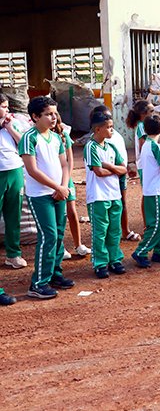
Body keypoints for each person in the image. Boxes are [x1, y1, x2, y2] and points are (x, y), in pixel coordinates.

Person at [19, 97, 72, 299]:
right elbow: (32, 170)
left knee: (58, 234)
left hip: (59, 192)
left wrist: (64, 187)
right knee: (48, 235)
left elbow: (65, 165)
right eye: (49, 114)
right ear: (35, 116)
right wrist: (57, 186)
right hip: (40, 195)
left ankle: (54, 274)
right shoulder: (29, 138)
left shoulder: (56, 137)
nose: (53, 117)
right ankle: (38, 283)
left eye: (55, 113)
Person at [84, 110, 128, 279]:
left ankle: (115, 259)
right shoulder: (91, 147)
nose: (112, 130)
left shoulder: (111, 147)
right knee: (100, 231)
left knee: (114, 230)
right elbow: (98, 172)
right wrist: (114, 170)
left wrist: (109, 166)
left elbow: (122, 169)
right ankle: (100, 263)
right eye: (108, 127)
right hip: (98, 196)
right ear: (97, 129)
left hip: (114, 195)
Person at [131, 115, 160, 268]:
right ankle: (141, 251)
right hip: (155, 190)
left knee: (157, 221)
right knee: (156, 223)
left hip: (150, 189)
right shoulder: (156, 147)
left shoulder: (146, 145)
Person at [54, 115, 91, 259]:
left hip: (66, 179)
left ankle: (78, 244)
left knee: (72, 212)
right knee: (59, 215)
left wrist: (67, 179)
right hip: (53, 180)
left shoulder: (63, 136)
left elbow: (69, 160)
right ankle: (60, 247)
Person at [0, 94, 27, 269]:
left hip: (14, 170)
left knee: (13, 213)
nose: (7, 110)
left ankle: (13, 254)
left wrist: (9, 127)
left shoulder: (13, 123)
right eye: (3, 106)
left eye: (8, 107)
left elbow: (23, 144)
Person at [125, 99, 154, 178]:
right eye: (151, 111)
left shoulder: (141, 125)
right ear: (143, 114)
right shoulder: (141, 126)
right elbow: (143, 145)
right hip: (144, 162)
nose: (152, 114)